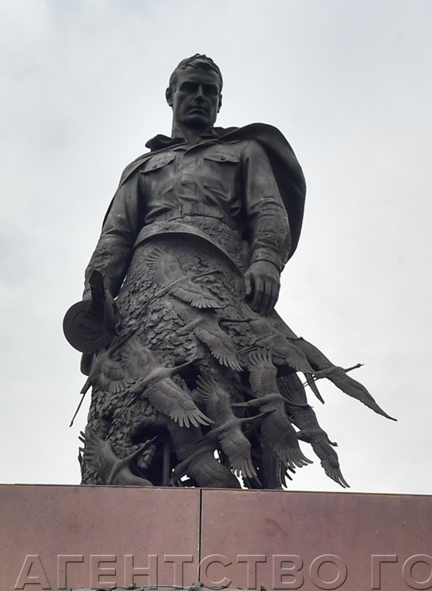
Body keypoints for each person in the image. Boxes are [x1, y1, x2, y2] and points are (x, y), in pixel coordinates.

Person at [70, 55, 388, 489]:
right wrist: (95, 299)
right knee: (138, 384)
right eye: (190, 88)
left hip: (219, 280)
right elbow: (116, 236)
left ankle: (241, 482)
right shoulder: (141, 168)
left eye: (210, 91)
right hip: (146, 285)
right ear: (171, 96)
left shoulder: (244, 152)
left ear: (220, 102)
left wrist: (266, 260)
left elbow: (268, 210)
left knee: (231, 378)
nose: (200, 97)